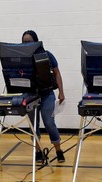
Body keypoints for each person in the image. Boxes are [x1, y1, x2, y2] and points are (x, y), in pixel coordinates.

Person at [22, 30, 66, 163]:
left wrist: (61, 91)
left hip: (47, 94)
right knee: (33, 126)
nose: (26, 44)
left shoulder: (47, 55)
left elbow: (57, 73)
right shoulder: (21, 57)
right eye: (23, 42)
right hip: (30, 95)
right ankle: (38, 151)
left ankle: (58, 150)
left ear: (36, 41)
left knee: (49, 122)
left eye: (29, 42)